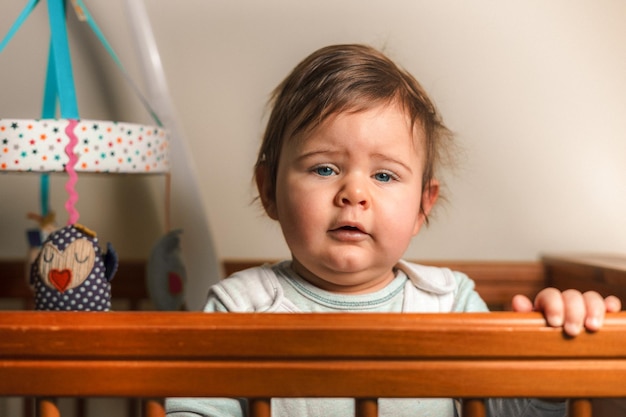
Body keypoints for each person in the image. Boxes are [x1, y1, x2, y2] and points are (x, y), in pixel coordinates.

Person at [166, 44, 621, 417]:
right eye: (324, 168)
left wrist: (549, 355)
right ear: (268, 191)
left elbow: (508, 412)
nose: (354, 193)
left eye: (384, 176)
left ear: (424, 205)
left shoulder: (450, 303)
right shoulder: (239, 307)